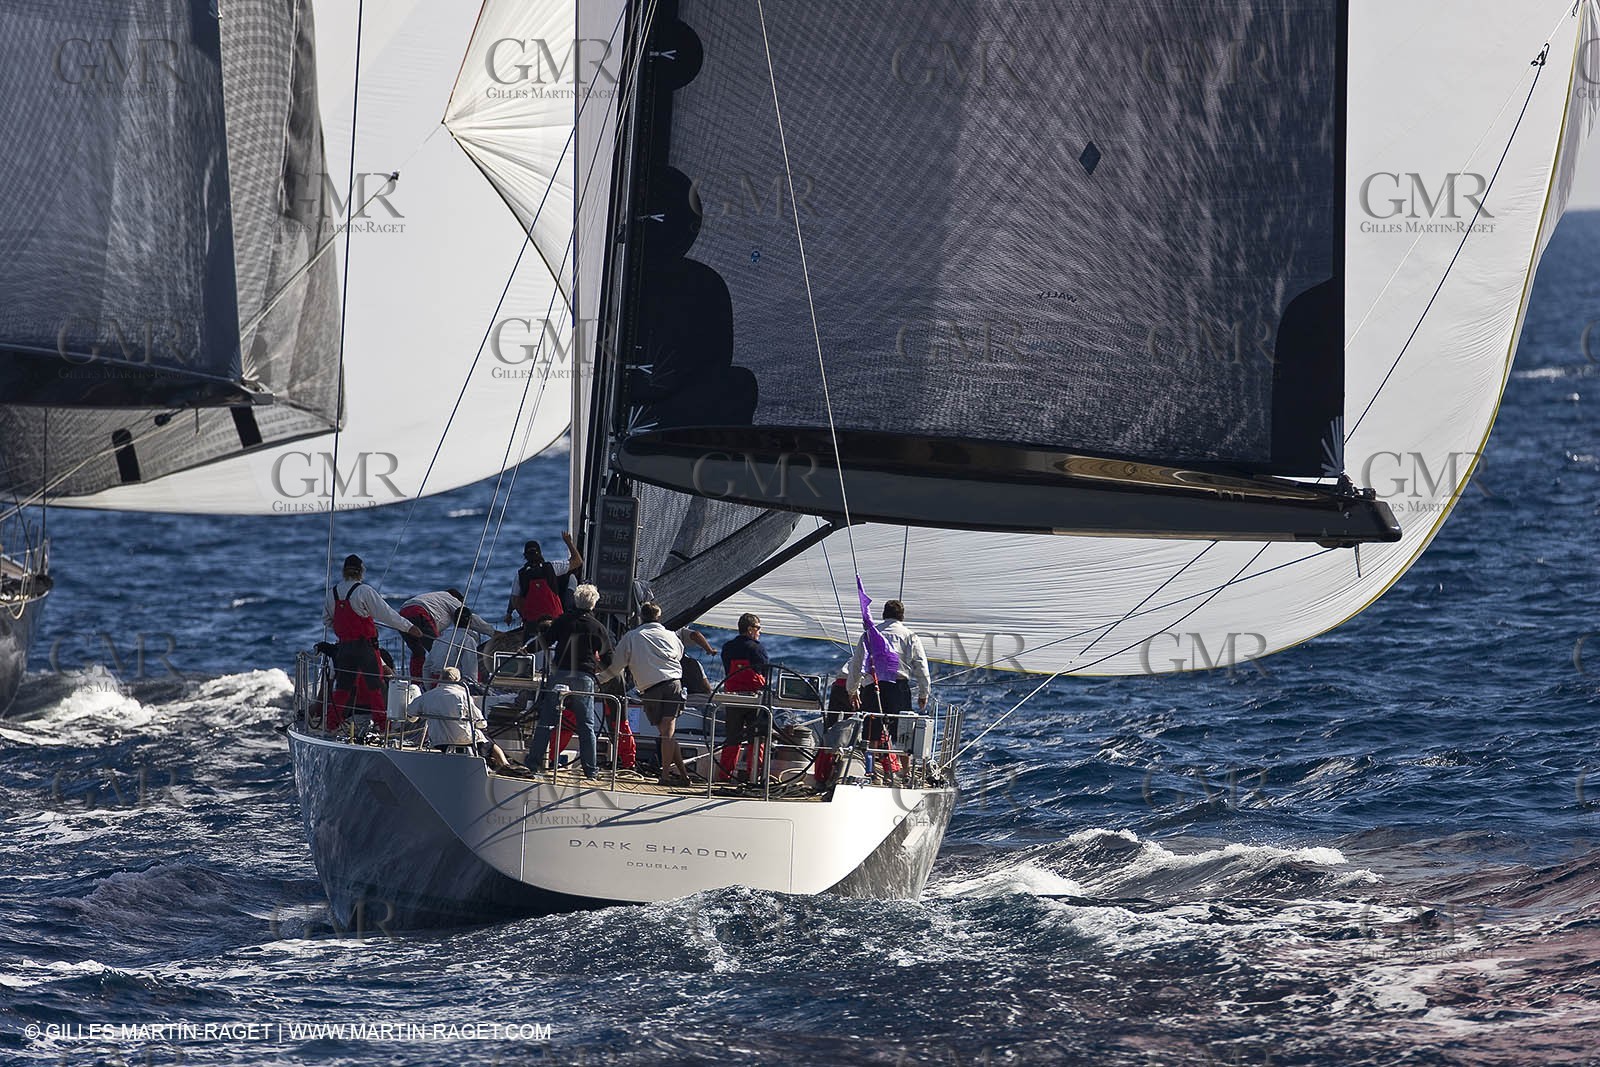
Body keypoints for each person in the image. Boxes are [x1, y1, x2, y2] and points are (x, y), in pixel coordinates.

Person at [598, 602, 714, 786]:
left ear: (641, 617)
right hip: (674, 684)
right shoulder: (671, 635)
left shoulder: (631, 637)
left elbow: (616, 667)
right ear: (659, 617)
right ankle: (684, 776)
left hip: (652, 688)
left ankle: (666, 776)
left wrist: (598, 679)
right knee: (668, 733)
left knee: (666, 733)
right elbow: (679, 654)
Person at [322, 554, 421, 730]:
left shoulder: (333, 593)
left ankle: (331, 724)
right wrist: (409, 627)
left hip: (344, 648)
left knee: (342, 688)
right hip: (365, 648)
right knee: (375, 687)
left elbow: (327, 620)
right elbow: (387, 614)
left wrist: (345, 631)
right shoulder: (364, 591)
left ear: (344, 571)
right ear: (361, 571)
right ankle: (382, 726)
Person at [529, 583, 611, 778]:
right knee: (586, 725)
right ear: (593, 604)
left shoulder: (563, 620)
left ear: (575, 600)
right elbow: (608, 658)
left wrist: (527, 649)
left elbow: (546, 640)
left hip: (561, 673)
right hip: (584, 677)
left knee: (547, 721)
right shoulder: (597, 627)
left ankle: (532, 764)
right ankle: (590, 771)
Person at [847, 598, 931, 753]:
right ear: (902, 616)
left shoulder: (869, 635)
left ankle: (872, 765)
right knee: (902, 734)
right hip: (898, 688)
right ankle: (902, 766)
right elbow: (921, 666)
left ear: (884, 614)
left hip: (873, 686)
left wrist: (852, 690)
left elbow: (857, 664)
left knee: (872, 733)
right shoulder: (910, 636)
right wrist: (923, 693)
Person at [406, 667, 514, 771]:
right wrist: (481, 725)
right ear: (457, 679)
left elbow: (410, 712)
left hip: (439, 742)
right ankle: (506, 766)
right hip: (464, 740)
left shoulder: (428, 696)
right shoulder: (463, 695)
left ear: (440, 678)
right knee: (491, 745)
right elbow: (480, 721)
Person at [716, 612, 771, 782]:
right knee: (757, 739)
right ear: (750, 629)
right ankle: (753, 776)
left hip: (733, 698)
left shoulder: (727, 647)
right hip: (755, 700)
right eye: (758, 628)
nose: (760, 632)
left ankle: (724, 776)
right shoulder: (757, 648)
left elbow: (728, 670)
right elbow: (765, 672)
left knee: (732, 739)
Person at [400, 588, 494, 678]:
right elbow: (470, 618)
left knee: (418, 652)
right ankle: (441, 680)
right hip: (420, 612)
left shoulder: (437, 599)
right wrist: (493, 632)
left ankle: (418, 681)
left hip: (403, 614)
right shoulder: (451, 599)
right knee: (438, 651)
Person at [506, 533, 582, 627]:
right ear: (540, 553)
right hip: (555, 618)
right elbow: (577, 561)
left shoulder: (520, 574)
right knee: (572, 578)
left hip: (531, 621)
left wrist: (511, 614)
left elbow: (514, 599)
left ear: (525, 556)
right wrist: (568, 542)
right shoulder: (552, 567)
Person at [423, 604, 489, 684]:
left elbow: (427, 667)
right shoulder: (468, 640)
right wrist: (473, 687)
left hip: (435, 683)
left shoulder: (440, 639)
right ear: (470, 622)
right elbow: (470, 670)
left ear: (454, 621)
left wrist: (428, 687)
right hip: (455, 683)